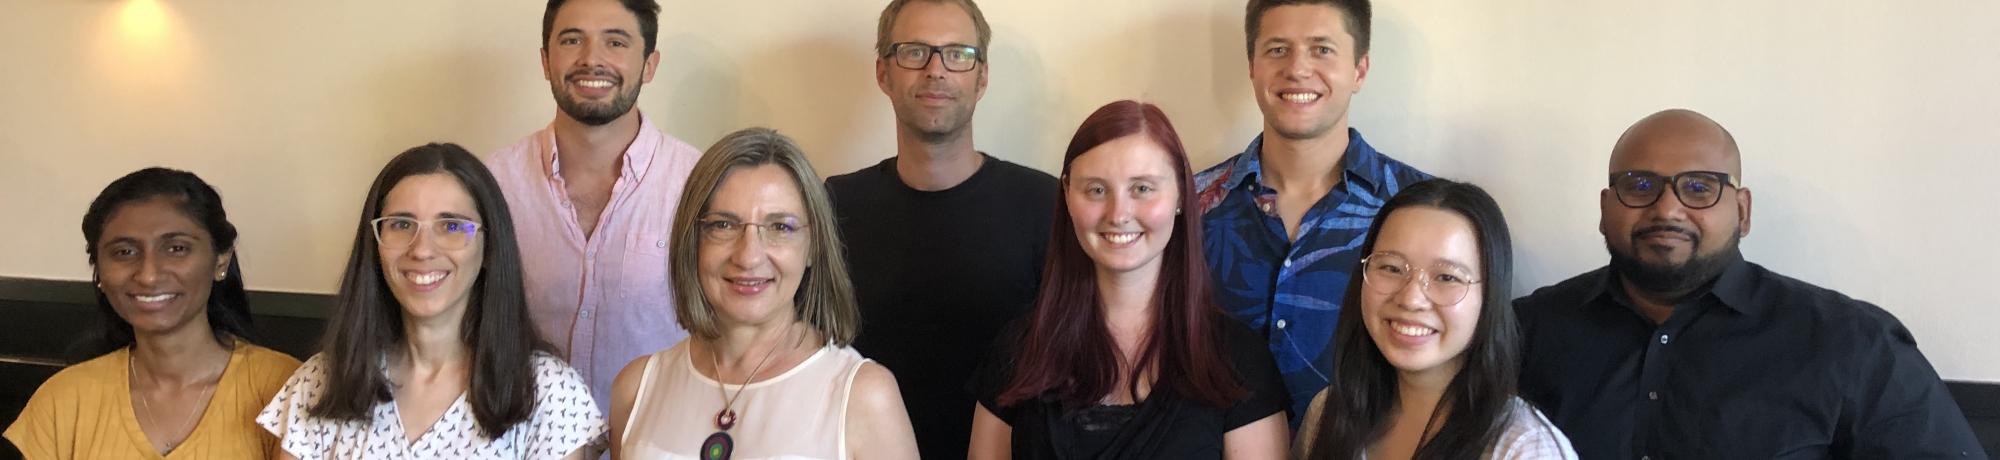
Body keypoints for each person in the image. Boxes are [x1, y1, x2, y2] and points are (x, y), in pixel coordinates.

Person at [1515, 109, 1985, 458]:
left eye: (1700, 187)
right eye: (1639, 185)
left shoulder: (1853, 343)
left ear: (1742, 211)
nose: (1667, 208)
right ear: (1605, 208)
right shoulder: (1524, 332)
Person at [970, 101, 1290, 459]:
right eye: (1096, 189)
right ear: (1067, 195)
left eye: (1142, 188)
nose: (1118, 214)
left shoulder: (1239, 361)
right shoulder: (1018, 352)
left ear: (1182, 195)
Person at [258, 144, 603, 459]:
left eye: (451, 226)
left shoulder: (549, 391)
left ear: (489, 247)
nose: (422, 250)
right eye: (401, 224)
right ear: (375, 245)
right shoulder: (321, 381)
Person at [825, 0, 1059, 456]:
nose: (936, 70)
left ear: (982, 77)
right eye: (914, 52)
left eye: (958, 54)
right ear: (883, 73)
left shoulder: (1044, 205)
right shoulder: (834, 205)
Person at [1194, 0, 1434, 426]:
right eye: (1277, 50)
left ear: (1359, 70)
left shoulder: (1422, 210)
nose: (1298, 69)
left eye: (1322, 49)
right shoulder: (1190, 205)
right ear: (1252, 66)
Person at [610, 128, 918, 460]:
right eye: (723, 225)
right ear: (693, 241)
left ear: (813, 246)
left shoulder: (864, 397)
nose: (749, 256)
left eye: (780, 227)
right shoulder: (636, 388)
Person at [485, 0, 701, 414]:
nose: (591, 59)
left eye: (615, 42)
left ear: (649, 65)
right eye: (572, 40)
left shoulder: (700, 185)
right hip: (520, 435)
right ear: (545, 61)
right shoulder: (491, 184)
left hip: (655, 435)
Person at [5, 168, 301, 459]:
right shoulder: (65, 399)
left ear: (221, 260)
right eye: (124, 252)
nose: (148, 275)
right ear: (99, 271)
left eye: (176, 248)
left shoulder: (286, 388)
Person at [1296, 179, 1575, 459]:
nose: (1410, 299)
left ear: (1490, 297)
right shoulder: (1328, 412)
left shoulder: (1525, 449)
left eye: (1447, 277)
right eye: (1391, 268)